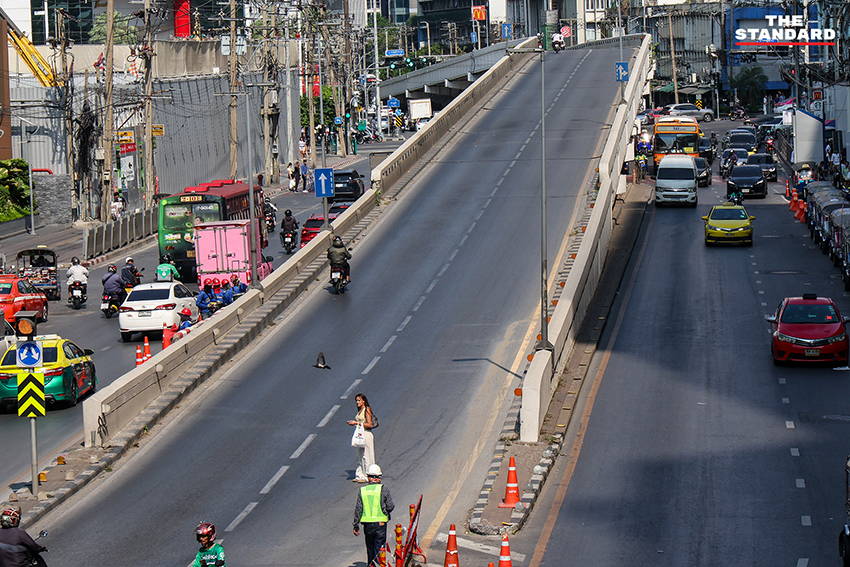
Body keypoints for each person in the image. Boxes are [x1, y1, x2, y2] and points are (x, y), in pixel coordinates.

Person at [352, 464, 394, 567]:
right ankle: (379, 564)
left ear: (368, 477)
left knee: (370, 549)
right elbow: (390, 506)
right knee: (379, 548)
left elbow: (358, 509)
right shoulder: (383, 490)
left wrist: (355, 525)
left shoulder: (363, 491)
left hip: (367, 526)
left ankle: (371, 565)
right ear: (379, 477)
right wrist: (385, 511)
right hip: (380, 525)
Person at [347, 393, 375, 482]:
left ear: (364, 401)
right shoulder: (360, 410)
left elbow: (369, 424)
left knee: (367, 455)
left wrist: (356, 423)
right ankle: (360, 475)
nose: (357, 402)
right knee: (360, 455)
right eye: (356, 400)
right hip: (360, 434)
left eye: (359, 400)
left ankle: (368, 476)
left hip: (366, 434)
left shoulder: (367, 410)